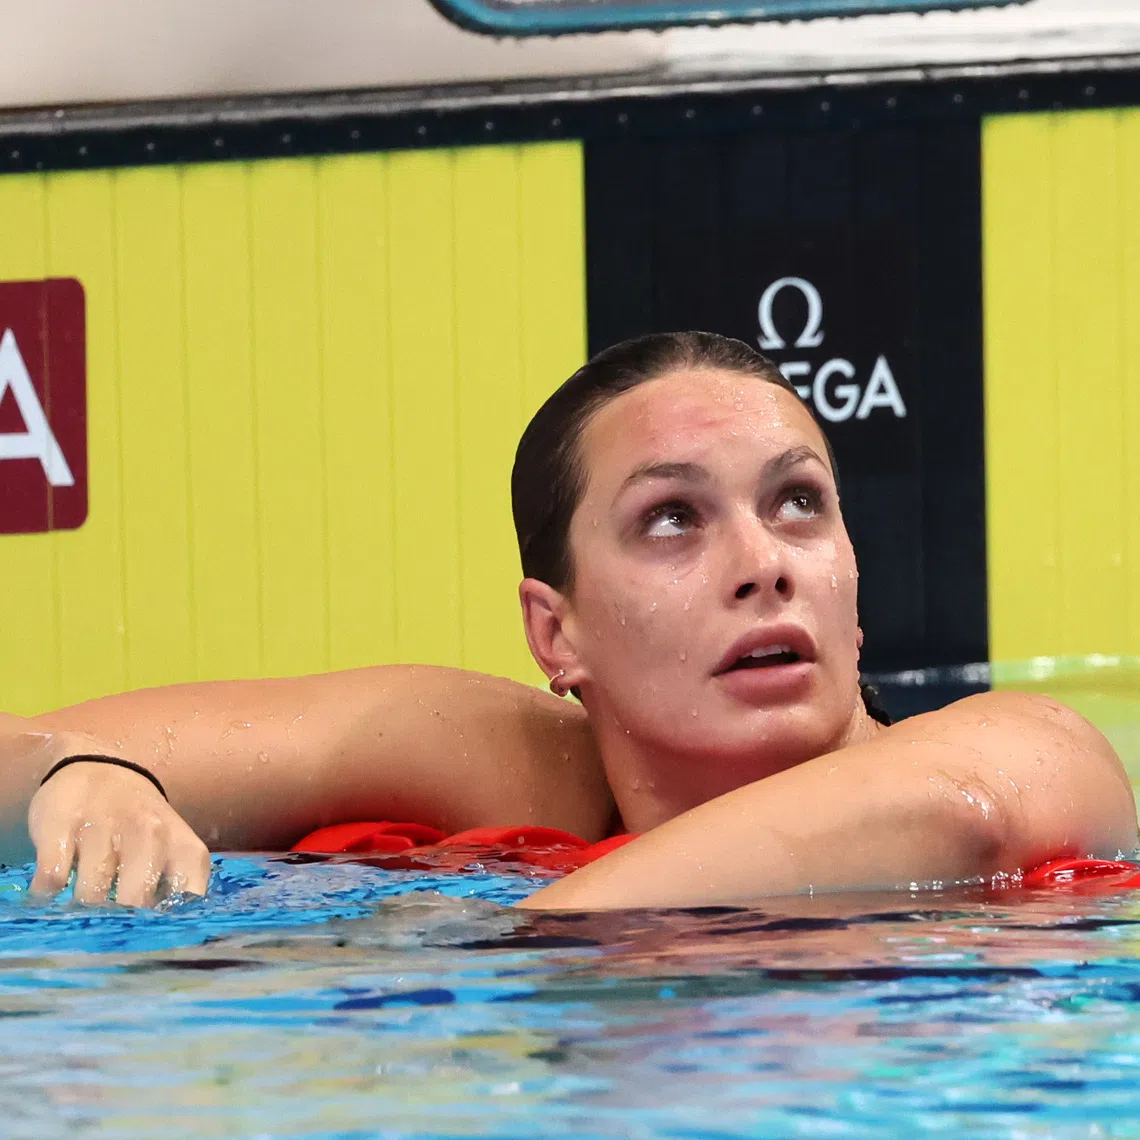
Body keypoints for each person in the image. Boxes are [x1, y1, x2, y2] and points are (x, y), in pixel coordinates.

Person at [2, 333, 1134, 909]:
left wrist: (523, 941)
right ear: (557, 636)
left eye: (799, 503)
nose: (762, 565)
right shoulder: (497, 765)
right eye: (673, 520)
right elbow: (23, 759)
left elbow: (947, 823)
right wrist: (86, 777)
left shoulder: (1027, 748)